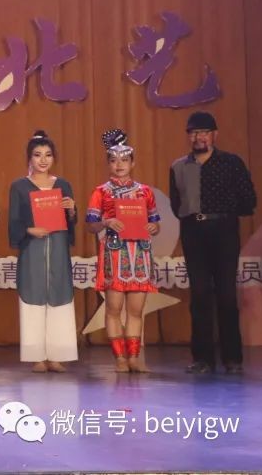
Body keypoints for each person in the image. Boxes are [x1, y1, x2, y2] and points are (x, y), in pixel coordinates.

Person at [169, 111, 257, 375]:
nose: (199, 137)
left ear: (214, 135)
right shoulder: (179, 166)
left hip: (224, 231)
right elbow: (177, 205)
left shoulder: (231, 163)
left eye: (204, 132)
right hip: (193, 232)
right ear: (188, 136)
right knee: (200, 295)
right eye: (194, 132)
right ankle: (203, 359)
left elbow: (249, 200)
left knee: (227, 295)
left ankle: (232, 358)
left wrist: (224, 211)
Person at [85, 129, 160, 373]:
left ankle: (134, 357)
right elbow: (90, 225)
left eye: (125, 160)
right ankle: (119, 358)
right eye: (114, 160)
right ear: (108, 163)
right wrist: (106, 222)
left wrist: (153, 227)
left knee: (136, 311)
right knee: (114, 309)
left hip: (139, 253)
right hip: (115, 253)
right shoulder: (101, 192)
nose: (119, 165)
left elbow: (155, 222)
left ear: (132, 163)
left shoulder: (145, 191)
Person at [8, 130, 78, 372]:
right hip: (33, 249)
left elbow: (70, 223)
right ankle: (37, 356)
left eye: (48, 155)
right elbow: (14, 221)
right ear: (29, 158)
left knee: (60, 298)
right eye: (37, 155)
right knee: (33, 299)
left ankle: (57, 356)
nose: (43, 160)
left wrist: (72, 210)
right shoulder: (19, 186)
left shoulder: (63, 185)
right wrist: (29, 230)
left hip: (57, 247)